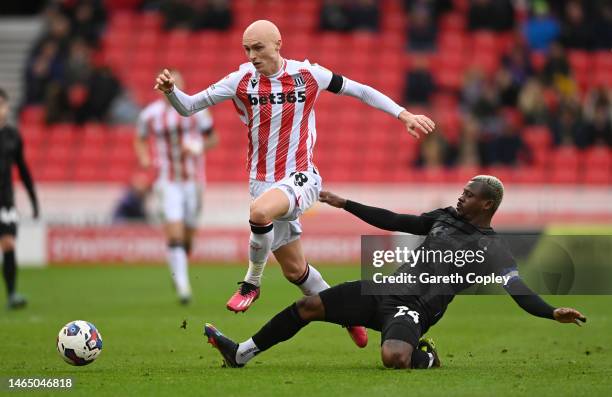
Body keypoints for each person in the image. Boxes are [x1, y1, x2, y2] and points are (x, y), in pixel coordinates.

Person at [154, 19, 435, 347]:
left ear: (277, 43)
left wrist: (404, 114)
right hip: (262, 182)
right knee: (295, 271)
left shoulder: (307, 74)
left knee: (259, 214)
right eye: (247, 49)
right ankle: (349, 317)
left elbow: (360, 90)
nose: (252, 55)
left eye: (258, 48)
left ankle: (251, 282)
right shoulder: (240, 79)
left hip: (302, 177)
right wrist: (172, 92)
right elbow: (189, 108)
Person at [204, 175, 586, 369]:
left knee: (395, 359)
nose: (460, 196)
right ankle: (242, 353)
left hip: (415, 309)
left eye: (469, 194)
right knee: (310, 306)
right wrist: (345, 203)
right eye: (463, 191)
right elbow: (396, 219)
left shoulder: (494, 249)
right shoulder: (444, 218)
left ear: (486, 203)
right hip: (385, 289)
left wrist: (551, 312)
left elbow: (518, 290)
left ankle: (428, 358)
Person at [136, 71, 219, 304]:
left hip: (193, 181)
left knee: (189, 236)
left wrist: (196, 147)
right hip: (167, 181)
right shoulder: (150, 115)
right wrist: (144, 157)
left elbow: (213, 139)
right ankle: (183, 287)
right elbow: (140, 137)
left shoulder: (198, 111)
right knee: (174, 232)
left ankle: (179, 270)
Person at [0, 88, 39, 309]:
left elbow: (23, 170)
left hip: (5, 200)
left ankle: (12, 293)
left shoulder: (13, 135)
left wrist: (33, 200)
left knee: (8, 243)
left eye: (1, 104)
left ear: (6, 107)